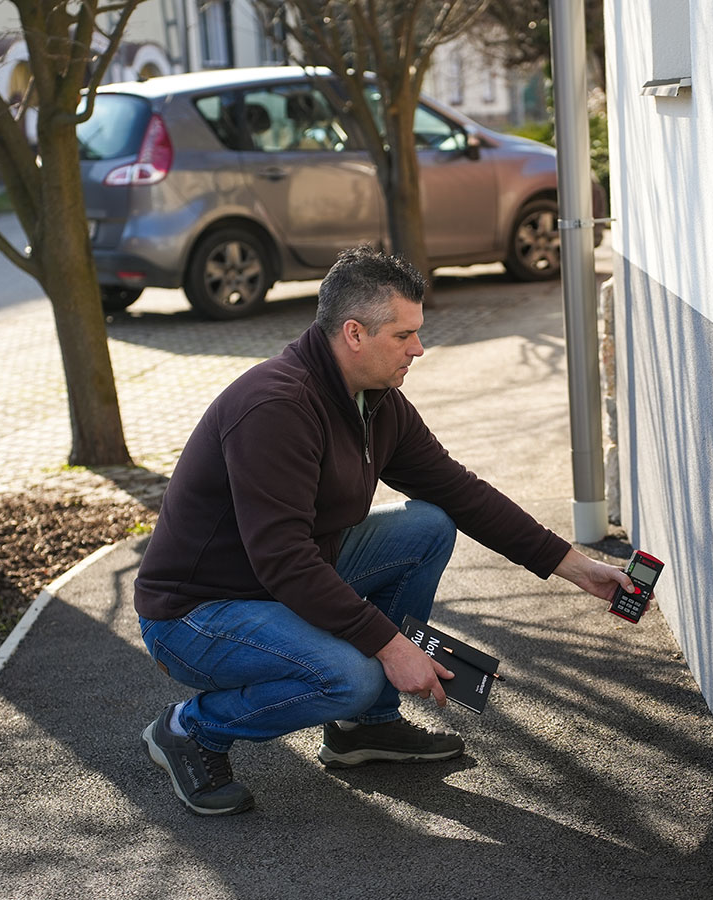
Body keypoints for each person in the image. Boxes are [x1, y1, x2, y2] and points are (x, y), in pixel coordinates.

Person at [134, 246, 633, 816]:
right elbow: (283, 560)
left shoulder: (377, 401)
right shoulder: (275, 407)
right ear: (353, 333)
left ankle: (366, 730)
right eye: (403, 336)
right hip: (199, 613)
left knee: (427, 524)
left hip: (279, 584)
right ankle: (190, 730)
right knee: (353, 674)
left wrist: (575, 567)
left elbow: (458, 491)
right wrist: (391, 648)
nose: (418, 348)